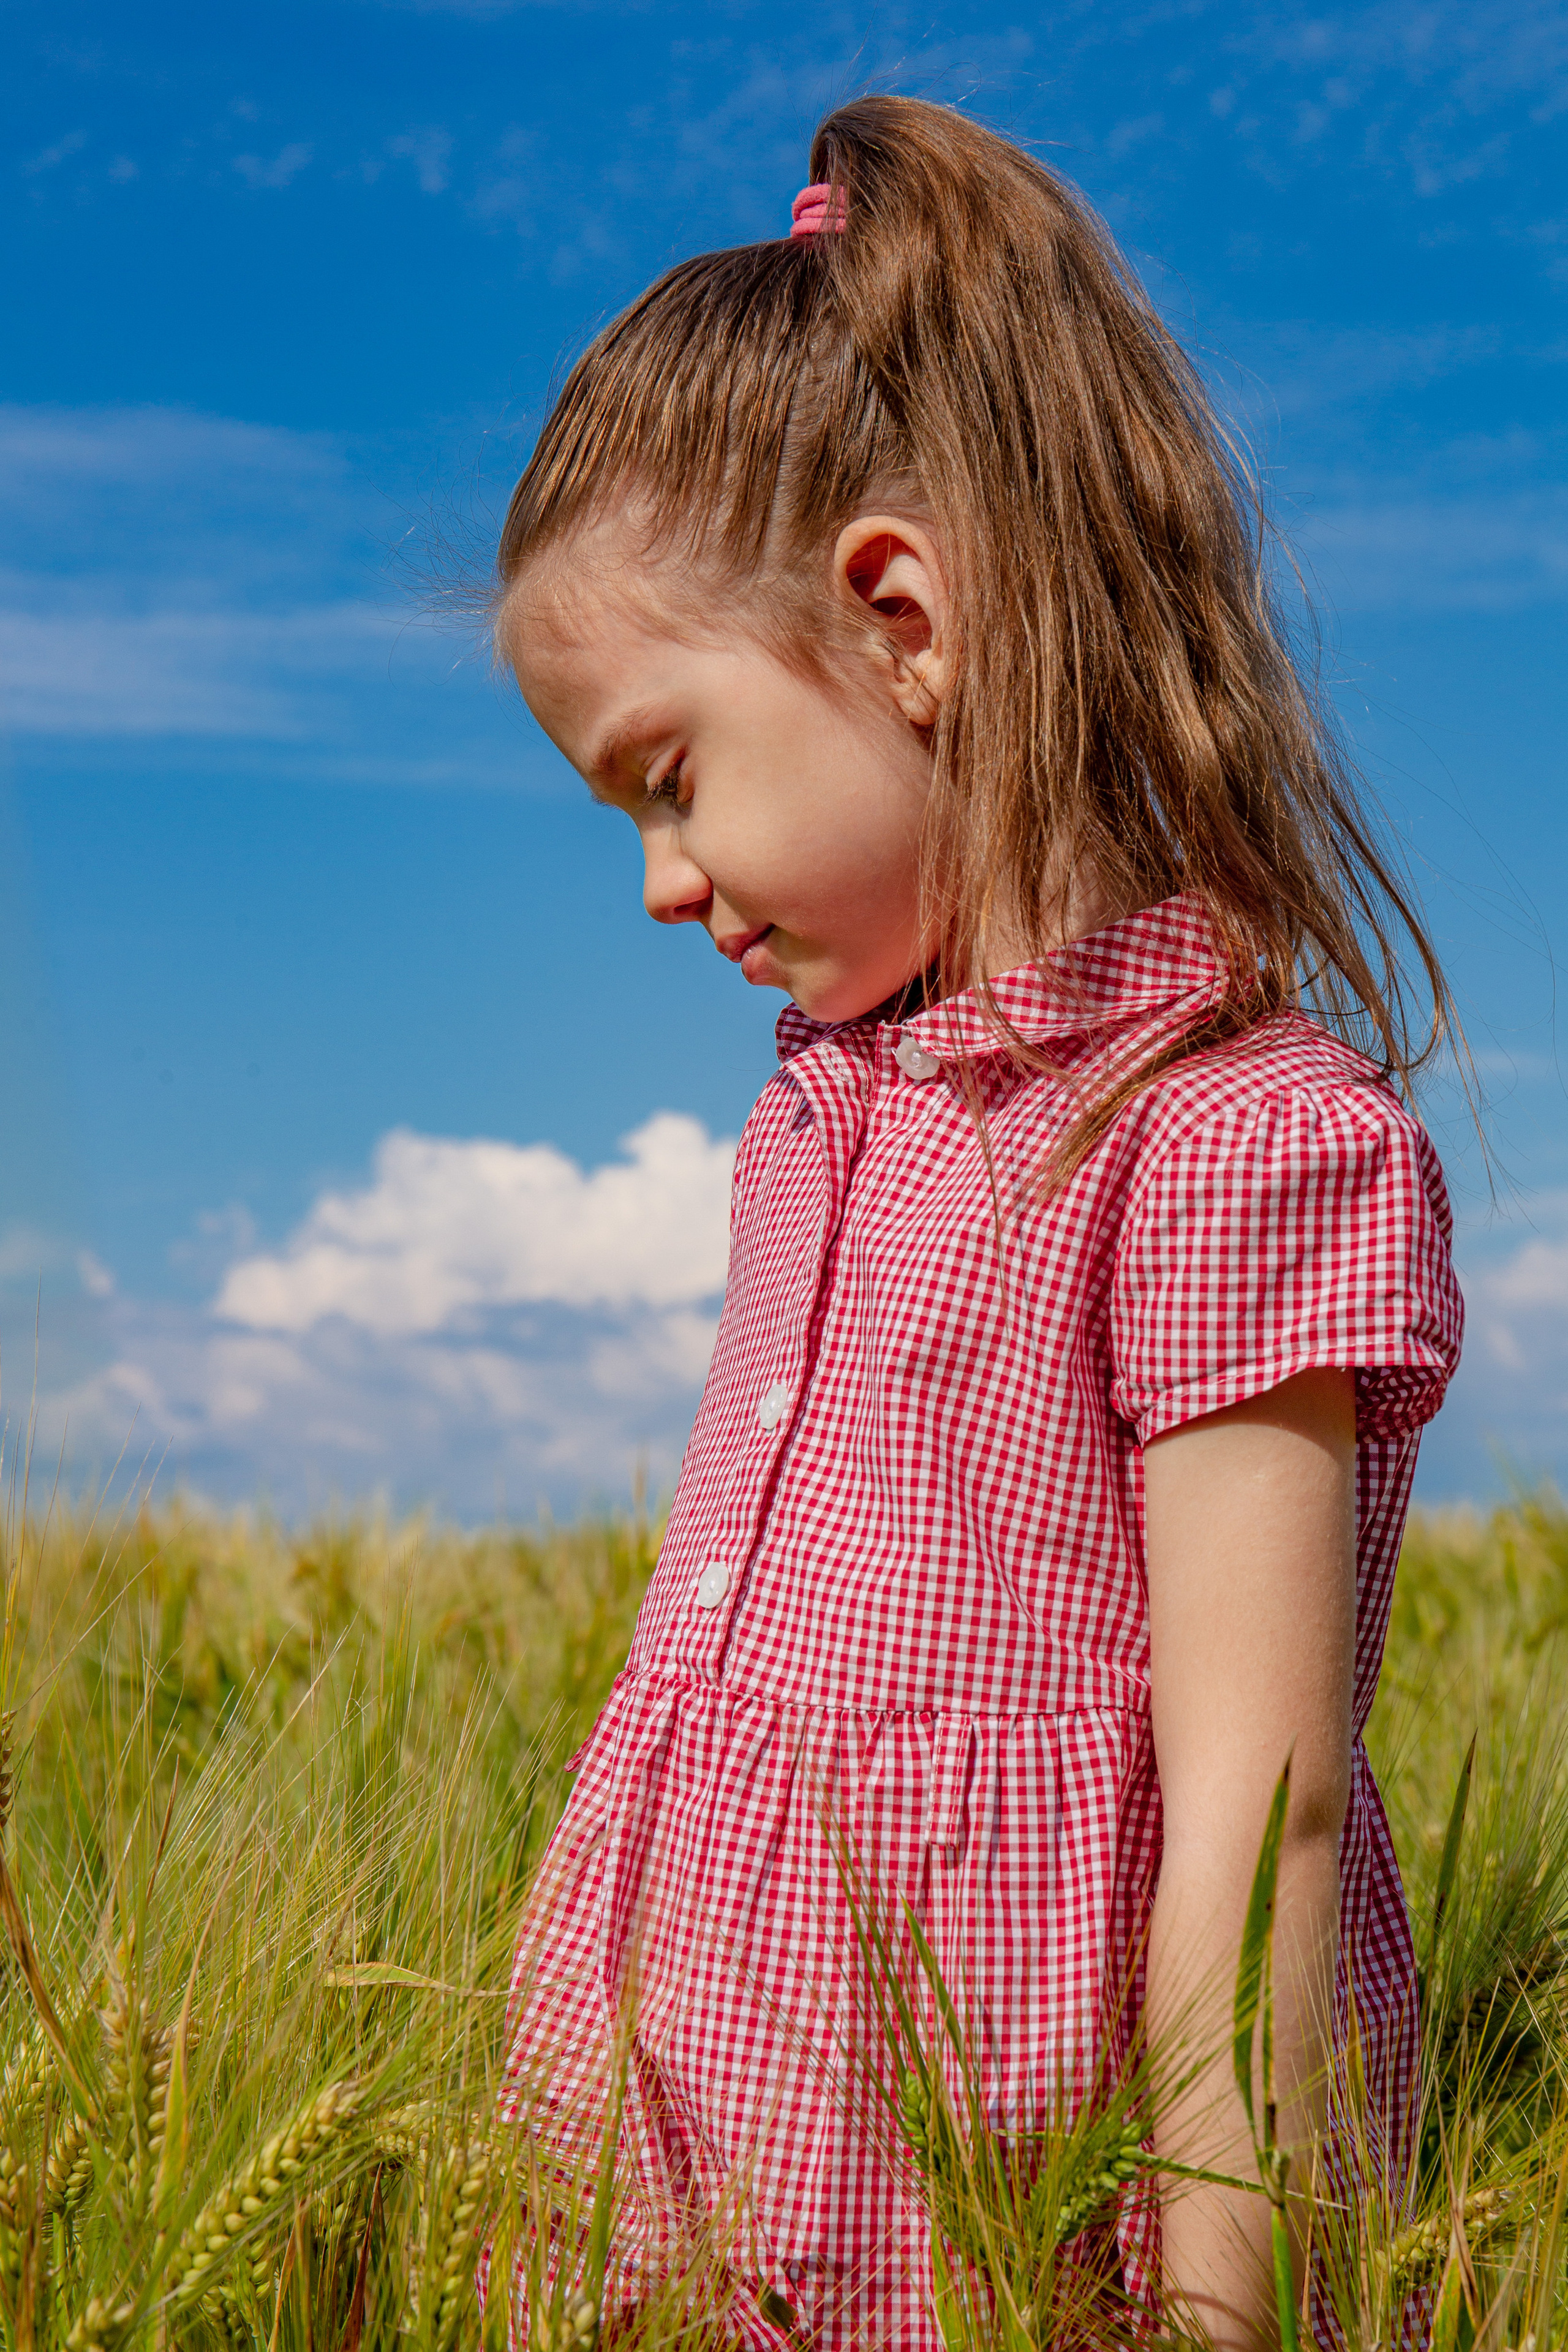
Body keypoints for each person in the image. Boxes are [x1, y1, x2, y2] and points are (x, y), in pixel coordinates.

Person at [484, 94, 1464, 2352]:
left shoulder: (1227, 1146)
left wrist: (1224, 2320)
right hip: (696, 2177)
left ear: (900, 620)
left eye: (667, 776)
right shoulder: (821, 1118)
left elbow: (1266, 1819)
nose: (659, 882)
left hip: (995, 2225)